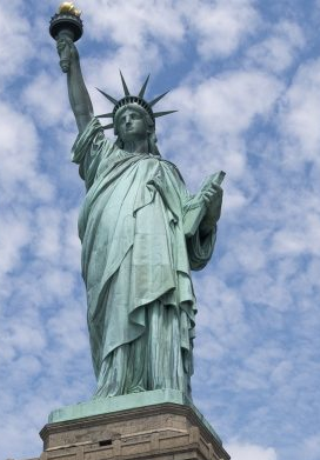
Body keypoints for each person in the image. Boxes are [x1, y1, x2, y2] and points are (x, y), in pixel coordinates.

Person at [56, 37, 224, 400]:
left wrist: (208, 210)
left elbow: (190, 234)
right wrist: (74, 66)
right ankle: (115, 384)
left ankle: (162, 384)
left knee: (157, 306)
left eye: (134, 117)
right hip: (110, 251)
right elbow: (83, 115)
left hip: (157, 252)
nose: (126, 120)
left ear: (150, 127)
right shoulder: (104, 162)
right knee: (117, 308)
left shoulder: (165, 170)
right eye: (120, 119)